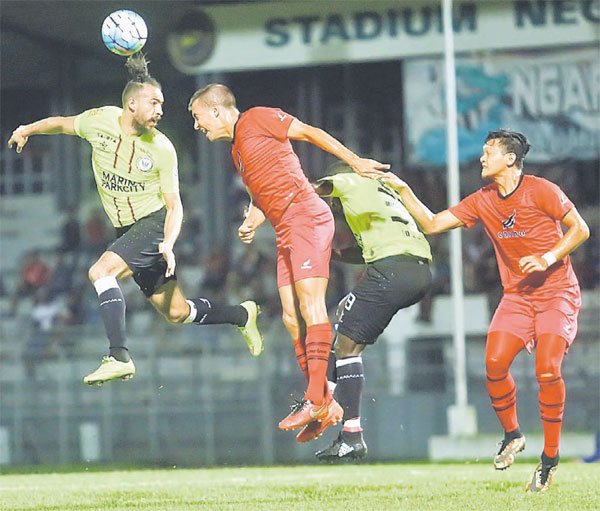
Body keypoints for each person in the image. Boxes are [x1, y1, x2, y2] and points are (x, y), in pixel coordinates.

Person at [8, 55, 263, 386]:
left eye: (162, 104)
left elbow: (175, 206)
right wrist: (28, 129)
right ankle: (242, 314)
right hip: (127, 231)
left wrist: (169, 243)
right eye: (154, 102)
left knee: (101, 271)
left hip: (153, 225)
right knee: (176, 312)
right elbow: (63, 123)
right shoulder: (99, 121)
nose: (160, 109)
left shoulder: (162, 148)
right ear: (131, 104)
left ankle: (118, 356)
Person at [380, 130, 589, 492]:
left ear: (509, 159)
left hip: (557, 292)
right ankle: (512, 435)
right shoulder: (482, 199)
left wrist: (547, 257)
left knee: (547, 368)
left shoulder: (541, 190)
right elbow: (431, 224)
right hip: (518, 297)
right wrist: (402, 189)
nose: (481, 157)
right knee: (493, 363)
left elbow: (580, 229)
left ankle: (549, 460)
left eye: (488, 151)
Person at [187, 84, 389, 437]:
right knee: (293, 319)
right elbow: (262, 191)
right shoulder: (237, 151)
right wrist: (253, 217)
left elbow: (310, 132)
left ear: (216, 110)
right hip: (284, 227)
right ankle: (324, 401)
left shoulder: (258, 118)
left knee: (312, 308)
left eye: (197, 116)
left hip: (307, 216)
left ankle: (316, 398)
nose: (196, 125)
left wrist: (355, 161)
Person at [309, 164, 433, 458]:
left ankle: (340, 423)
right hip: (418, 272)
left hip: (390, 271)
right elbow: (364, 252)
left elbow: (310, 189)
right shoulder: (381, 192)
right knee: (346, 323)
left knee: (345, 345)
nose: (331, 205)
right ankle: (324, 404)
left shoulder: (347, 181)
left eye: (332, 200)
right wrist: (331, 254)